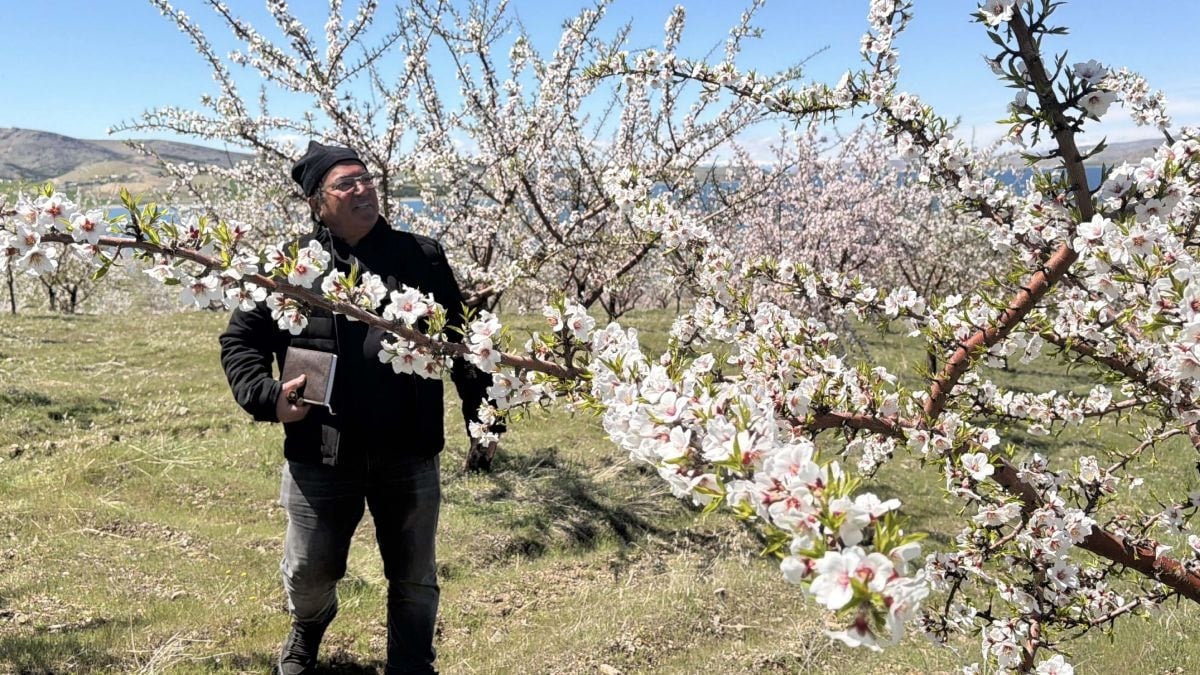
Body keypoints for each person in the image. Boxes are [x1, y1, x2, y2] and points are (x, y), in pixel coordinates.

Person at [219, 141, 499, 674]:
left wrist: (482, 413)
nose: (362, 189)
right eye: (345, 184)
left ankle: (412, 663)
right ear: (316, 202)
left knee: (414, 574)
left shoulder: (422, 257)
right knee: (308, 572)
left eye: (366, 178)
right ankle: (309, 625)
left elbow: (463, 340)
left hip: (408, 448)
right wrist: (267, 396)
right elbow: (240, 343)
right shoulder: (291, 266)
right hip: (321, 450)